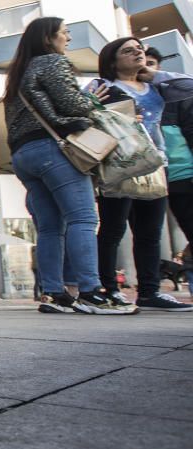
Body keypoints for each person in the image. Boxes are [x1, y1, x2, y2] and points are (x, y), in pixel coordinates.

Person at [4, 17, 132, 314]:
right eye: (65, 33)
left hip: (24, 155)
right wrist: (89, 100)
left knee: (49, 229)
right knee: (83, 219)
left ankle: (53, 294)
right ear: (49, 38)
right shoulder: (51, 62)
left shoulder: (18, 73)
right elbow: (71, 105)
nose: (68, 39)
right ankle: (90, 290)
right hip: (54, 149)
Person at [85, 38, 193, 312]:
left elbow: (189, 85)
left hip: (156, 164)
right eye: (128, 50)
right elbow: (81, 115)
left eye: (140, 49)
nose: (138, 53)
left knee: (149, 233)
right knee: (113, 229)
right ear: (112, 60)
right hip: (119, 164)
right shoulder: (103, 86)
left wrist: (155, 74)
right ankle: (108, 289)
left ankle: (149, 292)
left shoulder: (158, 87)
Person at [147, 48, 193, 251]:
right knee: (149, 236)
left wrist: (155, 76)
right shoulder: (124, 96)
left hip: (183, 176)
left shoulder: (175, 97)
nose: (143, 67)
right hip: (149, 179)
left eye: (150, 63)